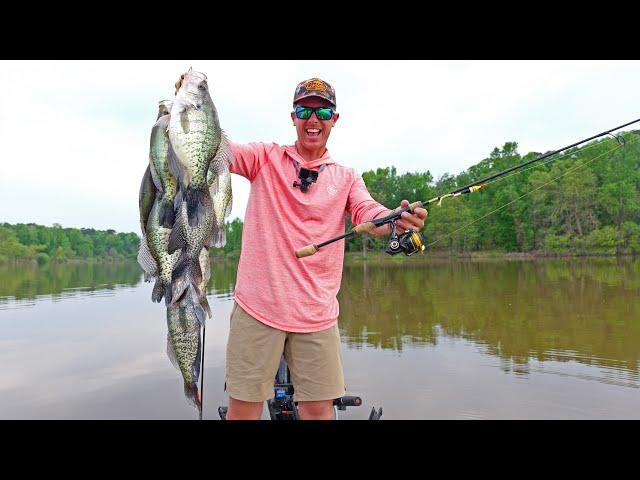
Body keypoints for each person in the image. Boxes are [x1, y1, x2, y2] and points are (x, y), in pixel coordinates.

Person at [176, 74, 428, 419]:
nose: (313, 120)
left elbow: (368, 212)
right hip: (258, 309)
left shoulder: (346, 177)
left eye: (323, 113)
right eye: (305, 110)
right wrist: (190, 106)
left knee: (318, 410)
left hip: (316, 314)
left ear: (334, 120)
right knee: (244, 409)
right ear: (293, 116)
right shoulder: (265, 158)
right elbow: (218, 150)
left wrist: (395, 218)